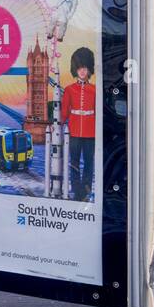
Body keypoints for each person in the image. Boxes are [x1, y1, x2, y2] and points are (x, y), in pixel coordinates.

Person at [62, 46, 96, 201]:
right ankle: (76, 189)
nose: (82, 71)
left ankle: (87, 188)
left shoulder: (95, 90)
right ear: (75, 69)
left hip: (91, 131)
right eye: (80, 68)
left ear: (89, 70)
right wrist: (58, 124)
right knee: (74, 162)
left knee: (89, 162)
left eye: (85, 68)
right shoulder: (69, 89)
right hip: (74, 130)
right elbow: (64, 111)